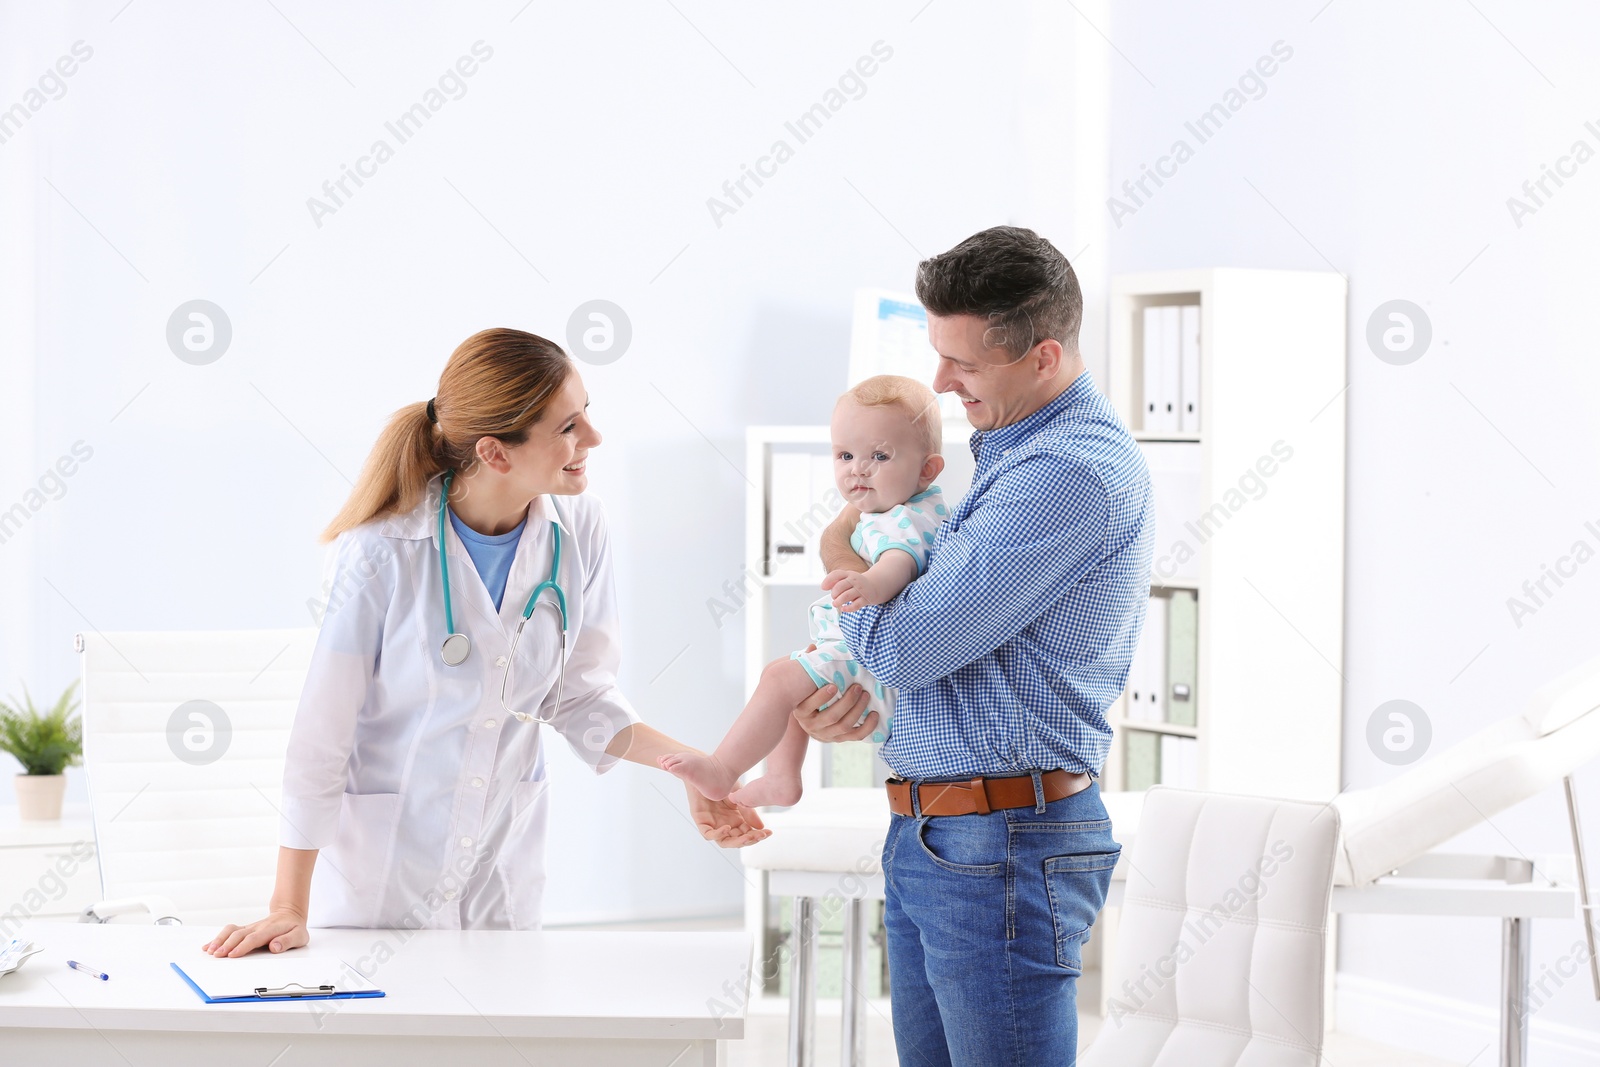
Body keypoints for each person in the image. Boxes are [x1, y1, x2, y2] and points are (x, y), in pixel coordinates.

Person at [204, 328, 768, 958]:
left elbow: (579, 696)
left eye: (588, 414)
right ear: (496, 453)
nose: (594, 439)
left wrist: (693, 764)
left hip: (501, 874)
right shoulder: (380, 552)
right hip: (381, 885)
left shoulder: (579, 528)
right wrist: (287, 907)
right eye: (567, 427)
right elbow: (322, 733)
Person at [794, 227, 1153, 1065]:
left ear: (1043, 357)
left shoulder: (1065, 472)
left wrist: (838, 560)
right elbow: (932, 654)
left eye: (963, 363)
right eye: (937, 353)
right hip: (942, 832)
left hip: (1001, 841)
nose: (939, 382)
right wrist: (856, 692)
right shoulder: (1008, 457)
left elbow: (912, 646)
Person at [658, 375, 949, 808]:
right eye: (845, 455)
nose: (858, 469)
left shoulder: (903, 519)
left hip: (871, 666)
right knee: (783, 673)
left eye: (880, 456)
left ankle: (724, 769)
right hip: (869, 663)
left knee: (779, 678)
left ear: (927, 468)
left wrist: (869, 583)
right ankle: (782, 778)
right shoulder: (912, 509)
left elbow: (899, 562)